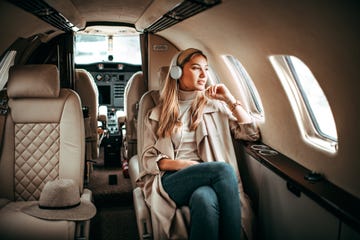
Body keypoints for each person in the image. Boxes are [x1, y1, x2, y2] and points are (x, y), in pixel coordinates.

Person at [138, 48, 260, 240]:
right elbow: (148, 160)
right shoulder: (156, 114)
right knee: (224, 171)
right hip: (172, 180)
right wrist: (187, 165)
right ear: (177, 72)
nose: (204, 75)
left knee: (204, 198)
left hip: (206, 179)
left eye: (206, 69)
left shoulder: (216, 106)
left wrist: (228, 99)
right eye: (196, 68)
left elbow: (250, 133)